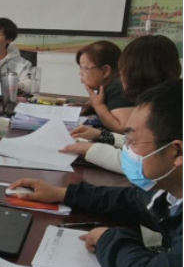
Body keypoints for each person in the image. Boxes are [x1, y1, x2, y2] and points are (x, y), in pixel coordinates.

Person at [10, 79, 182, 267]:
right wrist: (63, 194)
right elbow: (135, 201)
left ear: (176, 152)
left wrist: (108, 238)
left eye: (133, 141)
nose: (126, 151)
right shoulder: (170, 191)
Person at [61, 35, 182, 173]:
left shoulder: (158, 112)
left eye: (124, 69)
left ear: (136, 73)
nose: (120, 75)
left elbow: (141, 165)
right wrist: (101, 135)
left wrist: (92, 149)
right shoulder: (168, 98)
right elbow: (136, 142)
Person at [74, 41, 132, 133]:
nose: (80, 73)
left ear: (105, 70)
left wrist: (98, 105)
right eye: (80, 67)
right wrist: (88, 105)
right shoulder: (107, 84)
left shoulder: (118, 87)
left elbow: (122, 129)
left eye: (85, 68)